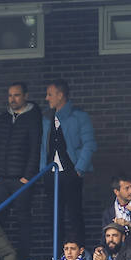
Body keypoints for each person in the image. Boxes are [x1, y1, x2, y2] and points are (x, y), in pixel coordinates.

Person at [40, 79, 97, 249]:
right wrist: (42, 169)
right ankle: (57, 255)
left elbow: (89, 144)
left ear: (60, 95)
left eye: (50, 94)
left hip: (72, 172)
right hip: (51, 174)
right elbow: (43, 146)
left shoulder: (79, 117)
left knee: (74, 215)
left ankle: (78, 253)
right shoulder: (46, 118)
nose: (46, 98)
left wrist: (79, 168)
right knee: (54, 216)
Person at [0, 81, 43, 254]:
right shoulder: (4, 117)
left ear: (26, 96)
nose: (12, 99)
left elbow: (36, 148)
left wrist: (27, 176)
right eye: (10, 95)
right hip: (2, 179)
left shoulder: (33, 117)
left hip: (22, 179)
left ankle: (24, 258)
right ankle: (0, 257)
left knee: (23, 218)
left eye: (16, 95)